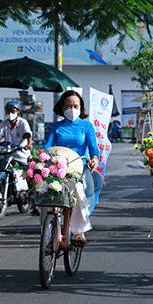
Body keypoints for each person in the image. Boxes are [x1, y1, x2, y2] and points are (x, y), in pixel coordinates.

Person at [44, 90, 100, 245]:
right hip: (58, 167)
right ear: (62, 108)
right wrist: (39, 157)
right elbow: (47, 147)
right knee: (49, 194)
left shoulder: (86, 126)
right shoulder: (56, 127)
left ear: (81, 108)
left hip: (78, 168)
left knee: (78, 192)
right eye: (69, 106)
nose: (72, 109)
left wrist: (94, 159)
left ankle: (79, 232)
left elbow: (93, 149)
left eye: (76, 106)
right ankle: (52, 230)